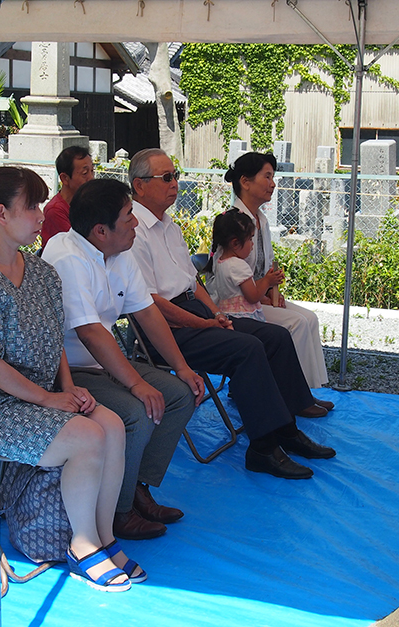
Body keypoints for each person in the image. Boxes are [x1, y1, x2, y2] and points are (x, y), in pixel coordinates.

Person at [0, 167, 139, 592]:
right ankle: (82, 545)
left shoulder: (42, 272)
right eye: (33, 206)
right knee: (87, 436)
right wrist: (47, 399)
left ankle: (103, 536)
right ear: (1, 214)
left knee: (112, 425)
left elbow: (53, 337)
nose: (42, 215)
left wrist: (67, 388)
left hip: (34, 394)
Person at [128, 149, 337, 480]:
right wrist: (207, 321)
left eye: (175, 175)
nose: (175, 184)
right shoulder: (132, 230)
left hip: (194, 313)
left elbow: (192, 282)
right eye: (166, 177)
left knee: (276, 337)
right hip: (164, 329)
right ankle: (263, 449)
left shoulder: (169, 226)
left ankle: (286, 428)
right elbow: (149, 304)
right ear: (139, 186)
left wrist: (216, 313)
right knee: (248, 347)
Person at [42, 178, 204, 541]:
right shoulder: (67, 257)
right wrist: (136, 383)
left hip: (103, 362)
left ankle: (138, 490)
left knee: (180, 392)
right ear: (100, 230)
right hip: (67, 371)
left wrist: (182, 367)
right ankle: (118, 511)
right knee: (135, 411)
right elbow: (90, 333)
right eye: (129, 216)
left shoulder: (120, 252)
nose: (135, 223)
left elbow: (147, 313)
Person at [219, 151, 330, 389]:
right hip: (238, 304)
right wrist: (262, 294)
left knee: (310, 318)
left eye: (273, 177)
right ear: (245, 182)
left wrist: (272, 293)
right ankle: (290, 393)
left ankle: (309, 390)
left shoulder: (261, 219)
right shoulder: (231, 223)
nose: (273, 184)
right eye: (267, 177)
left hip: (257, 297)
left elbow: (266, 266)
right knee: (296, 323)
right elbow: (226, 276)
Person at [203, 208, 268, 321]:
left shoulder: (220, 262)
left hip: (228, 314)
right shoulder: (239, 265)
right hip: (245, 317)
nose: (252, 244)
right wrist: (268, 281)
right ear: (235, 243)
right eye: (250, 239)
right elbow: (253, 296)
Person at [41, 145, 95, 247]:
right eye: (85, 173)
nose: (91, 178)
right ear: (65, 178)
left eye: (92, 171)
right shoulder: (55, 211)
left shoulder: (88, 202)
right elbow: (76, 247)